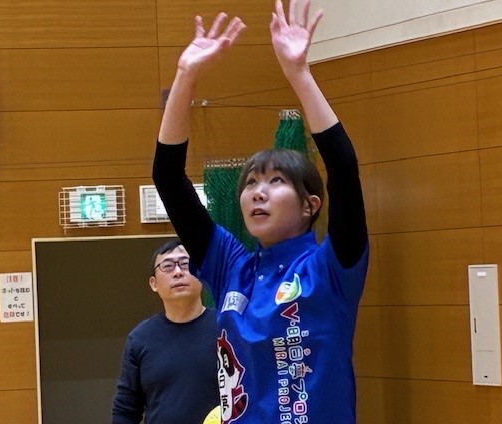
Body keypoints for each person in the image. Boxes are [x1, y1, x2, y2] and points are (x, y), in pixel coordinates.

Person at [152, 0, 369, 422]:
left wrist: (298, 74)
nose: (257, 193)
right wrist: (185, 76)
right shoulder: (230, 266)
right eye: (250, 183)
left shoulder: (331, 268)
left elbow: (343, 168)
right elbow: (168, 178)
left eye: (275, 181)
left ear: (310, 205)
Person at [111, 240, 219, 424]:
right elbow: (126, 408)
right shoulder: (140, 338)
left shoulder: (227, 328)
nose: (178, 272)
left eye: (186, 264)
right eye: (167, 266)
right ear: (154, 283)